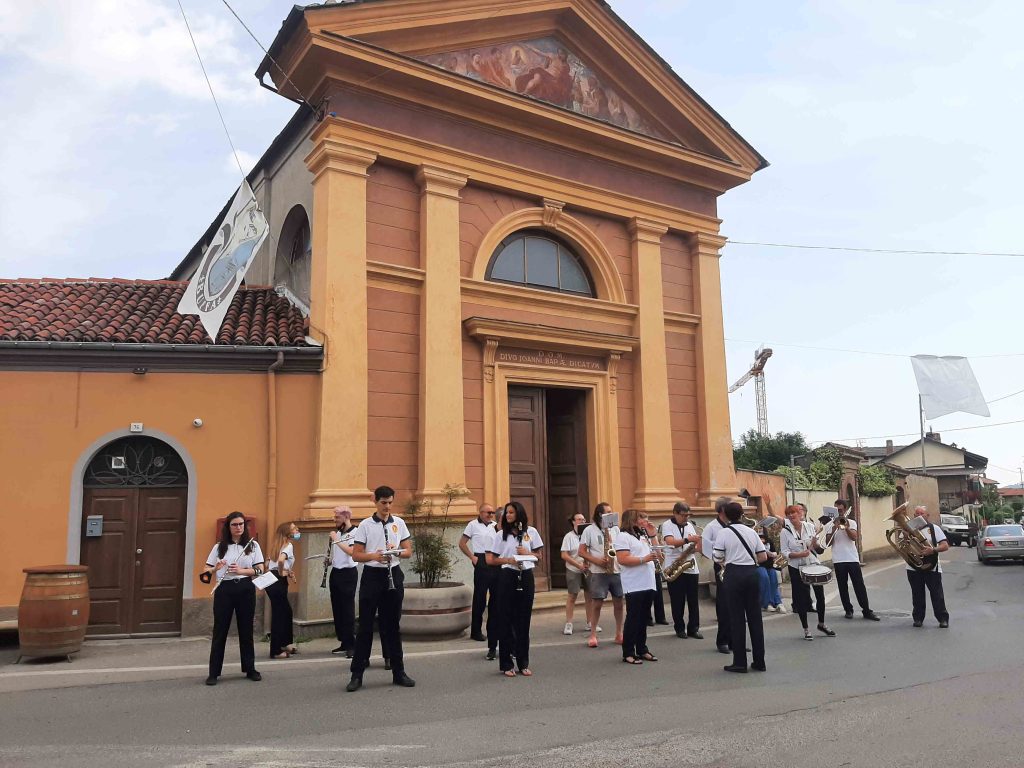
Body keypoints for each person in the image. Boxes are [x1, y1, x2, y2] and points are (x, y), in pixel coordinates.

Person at [345, 486, 415, 692]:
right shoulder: (365, 525)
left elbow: (408, 550)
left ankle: (398, 671)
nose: (387, 506)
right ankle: (356, 675)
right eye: (383, 502)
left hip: (393, 573)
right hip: (372, 576)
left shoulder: (399, 523)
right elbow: (356, 555)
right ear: (376, 502)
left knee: (392, 626)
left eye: (390, 502)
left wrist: (396, 553)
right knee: (366, 626)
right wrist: (374, 556)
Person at [200, 512, 265, 685]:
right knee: (220, 630)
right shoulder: (219, 547)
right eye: (235, 525)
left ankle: (250, 668)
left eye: (241, 524)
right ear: (228, 527)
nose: (238, 528)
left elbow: (260, 569)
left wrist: (242, 571)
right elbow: (205, 571)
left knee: (246, 630)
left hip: (245, 588)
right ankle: (214, 672)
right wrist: (216, 569)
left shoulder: (253, 546)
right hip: (224, 589)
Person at [487, 501, 544, 677]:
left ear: (519, 514)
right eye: (507, 513)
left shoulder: (531, 532)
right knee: (505, 619)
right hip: (508, 576)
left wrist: (527, 554)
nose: (508, 516)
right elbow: (490, 559)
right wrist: (508, 560)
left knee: (523, 621)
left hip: (525, 575)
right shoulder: (500, 535)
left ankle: (523, 662)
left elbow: (539, 556)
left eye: (511, 513)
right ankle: (506, 663)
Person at [713, 501, 768, 673]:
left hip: (734, 574)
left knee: (736, 619)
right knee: (755, 618)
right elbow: (763, 556)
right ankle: (759, 661)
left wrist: (729, 559)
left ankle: (740, 662)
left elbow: (717, 556)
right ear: (742, 514)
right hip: (752, 573)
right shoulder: (751, 532)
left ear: (726, 515)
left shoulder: (723, 533)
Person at [781, 505, 835, 641]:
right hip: (796, 567)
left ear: (800, 513)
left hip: (812, 564)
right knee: (801, 599)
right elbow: (785, 552)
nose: (792, 516)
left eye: (794, 512)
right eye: (789, 514)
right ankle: (806, 629)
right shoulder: (785, 531)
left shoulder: (809, 527)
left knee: (820, 595)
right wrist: (799, 554)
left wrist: (815, 544)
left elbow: (817, 548)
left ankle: (821, 624)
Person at [615, 509, 662, 665]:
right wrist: (645, 559)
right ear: (632, 520)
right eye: (642, 518)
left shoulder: (643, 536)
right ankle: (628, 652)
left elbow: (659, 556)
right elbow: (623, 559)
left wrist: (653, 536)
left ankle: (642, 649)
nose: (645, 521)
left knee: (643, 618)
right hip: (634, 583)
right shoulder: (623, 537)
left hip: (648, 581)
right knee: (633, 618)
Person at [822, 499, 880, 621]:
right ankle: (848, 610)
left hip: (852, 558)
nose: (839, 512)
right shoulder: (829, 524)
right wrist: (833, 528)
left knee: (859, 585)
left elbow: (854, 538)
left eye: (841, 510)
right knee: (842, 586)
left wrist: (846, 527)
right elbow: (827, 543)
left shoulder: (851, 522)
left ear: (845, 510)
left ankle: (866, 611)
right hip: (838, 559)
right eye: (836, 510)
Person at [578, 502, 625, 648]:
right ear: (600, 514)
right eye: (608, 512)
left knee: (619, 603)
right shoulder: (589, 530)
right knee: (597, 603)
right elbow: (582, 551)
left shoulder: (615, 529)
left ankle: (619, 633)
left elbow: (621, 547)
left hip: (616, 569)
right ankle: (593, 634)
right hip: (598, 572)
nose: (612, 514)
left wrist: (612, 545)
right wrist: (597, 561)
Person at [661, 501, 703, 639]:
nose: (686, 518)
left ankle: (694, 628)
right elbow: (670, 542)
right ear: (675, 513)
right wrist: (688, 539)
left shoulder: (690, 525)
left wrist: (698, 545)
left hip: (690, 565)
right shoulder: (667, 525)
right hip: (674, 564)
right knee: (677, 600)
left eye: (688, 515)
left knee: (693, 600)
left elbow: (696, 545)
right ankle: (679, 628)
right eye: (684, 515)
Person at [459, 503, 497, 645]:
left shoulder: (495, 525)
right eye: (488, 512)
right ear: (481, 513)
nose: (490, 515)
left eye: (492, 512)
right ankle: (476, 631)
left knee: (495, 597)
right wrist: (472, 557)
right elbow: (462, 543)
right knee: (480, 598)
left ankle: (492, 629)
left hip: (493, 559)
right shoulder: (472, 525)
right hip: (480, 559)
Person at [906, 505, 949, 628]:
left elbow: (945, 546)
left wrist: (933, 550)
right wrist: (905, 536)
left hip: (932, 565)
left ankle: (942, 619)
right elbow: (903, 545)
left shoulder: (934, 528)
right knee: (917, 594)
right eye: (916, 514)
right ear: (914, 516)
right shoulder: (909, 529)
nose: (919, 516)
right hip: (913, 567)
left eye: (922, 513)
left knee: (937, 594)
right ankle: (918, 618)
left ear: (927, 516)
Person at [702, 497, 733, 654]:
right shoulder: (711, 527)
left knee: (736, 605)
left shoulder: (732, 525)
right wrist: (719, 557)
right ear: (722, 510)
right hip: (721, 566)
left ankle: (735, 640)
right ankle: (722, 641)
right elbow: (706, 548)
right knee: (724, 605)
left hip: (735, 565)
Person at [266, 521, 300, 659]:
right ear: (288, 533)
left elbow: (268, 564)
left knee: (285, 612)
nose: (297, 530)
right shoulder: (288, 545)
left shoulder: (276, 545)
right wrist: (281, 572)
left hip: (271, 580)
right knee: (280, 615)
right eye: (294, 528)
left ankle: (285, 643)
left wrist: (287, 571)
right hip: (278, 581)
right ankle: (275, 650)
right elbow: (280, 560)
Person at [328, 506, 358, 658]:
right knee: (337, 608)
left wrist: (336, 540)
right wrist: (330, 561)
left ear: (346, 517)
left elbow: (352, 552)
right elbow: (340, 554)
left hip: (348, 574)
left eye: (337, 517)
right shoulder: (339, 533)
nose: (335, 520)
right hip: (336, 572)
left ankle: (352, 645)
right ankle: (344, 641)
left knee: (347, 609)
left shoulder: (355, 532)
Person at [559, 512, 592, 635]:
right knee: (572, 595)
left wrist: (588, 562)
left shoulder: (588, 535)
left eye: (583, 519)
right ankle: (569, 623)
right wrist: (578, 565)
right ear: (573, 522)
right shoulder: (569, 536)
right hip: (574, 568)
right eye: (579, 519)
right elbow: (564, 554)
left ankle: (590, 622)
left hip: (587, 568)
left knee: (589, 595)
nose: (582, 522)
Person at [758, 531, 784, 614]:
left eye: (762, 528)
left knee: (773, 579)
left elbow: (775, 552)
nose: (760, 530)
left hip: (769, 565)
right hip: (758, 565)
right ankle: (767, 603)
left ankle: (778, 603)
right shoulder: (754, 539)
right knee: (764, 577)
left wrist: (772, 554)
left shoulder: (769, 540)